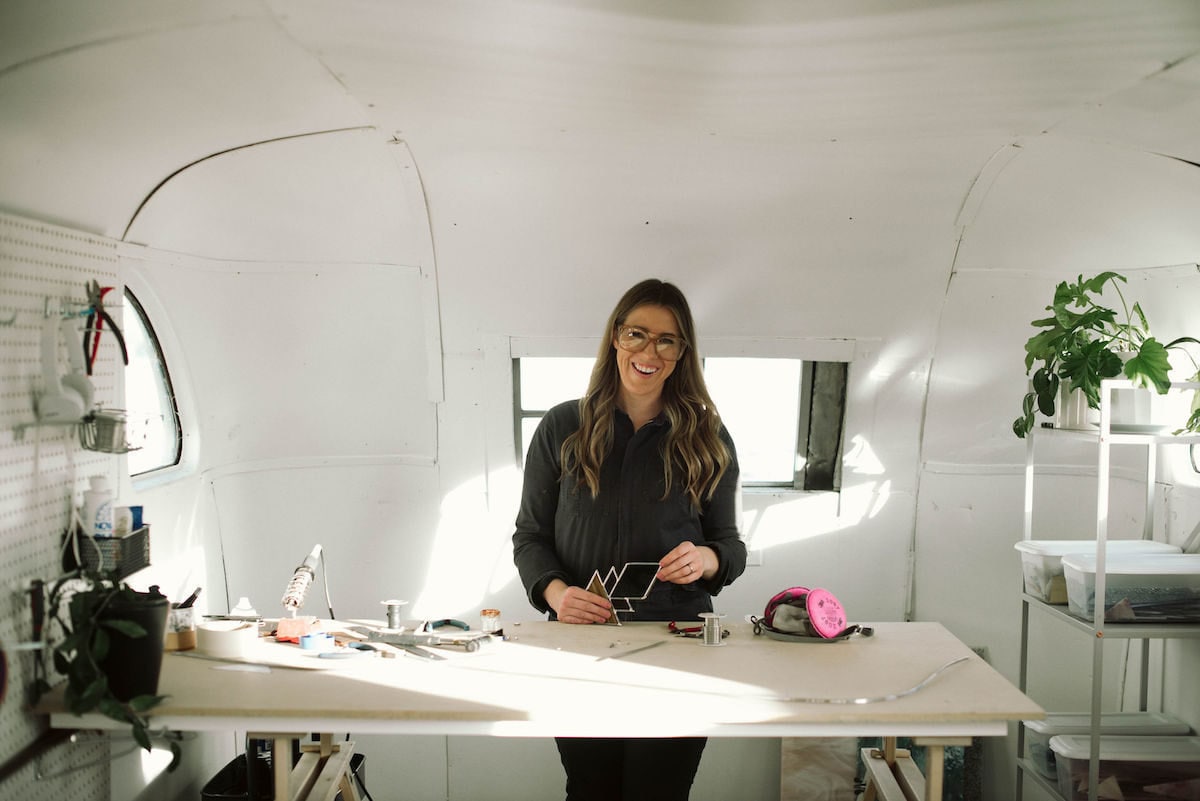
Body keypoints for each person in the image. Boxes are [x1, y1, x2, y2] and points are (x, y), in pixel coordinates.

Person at [513, 278, 747, 801]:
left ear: (682, 352)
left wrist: (706, 559)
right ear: (616, 337)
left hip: (679, 642)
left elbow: (730, 546)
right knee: (591, 789)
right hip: (579, 643)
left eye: (667, 340)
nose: (649, 352)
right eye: (637, 334)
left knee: (659, 792)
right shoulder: (562, 427)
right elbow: (529, 536)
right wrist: (556, 594)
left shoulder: (708, 436)